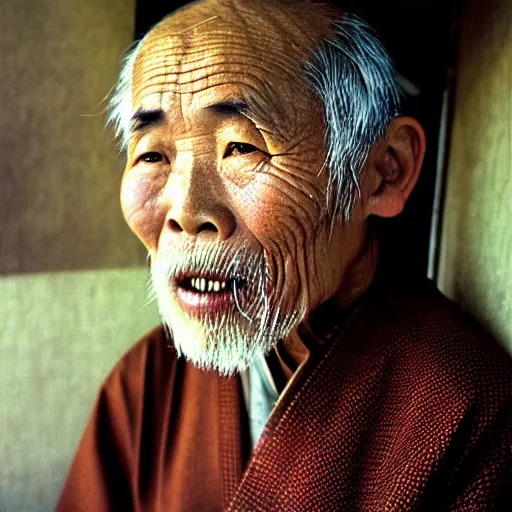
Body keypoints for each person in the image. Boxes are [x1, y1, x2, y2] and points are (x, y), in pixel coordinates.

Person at [57, 0, 512, 510]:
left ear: (384, 170)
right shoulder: (146, 386)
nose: (186, 212)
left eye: (241, 147)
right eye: (152, 155)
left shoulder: (469, 410)